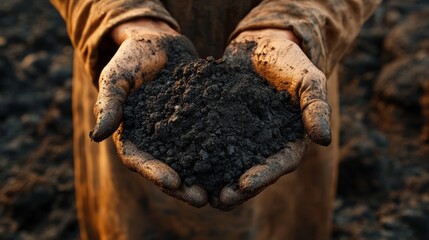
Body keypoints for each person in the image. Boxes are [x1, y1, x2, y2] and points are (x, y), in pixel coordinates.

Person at [50, 0, 381, 239]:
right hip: (131, 67)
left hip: (288, 65)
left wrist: (294, 20)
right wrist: (123, 15)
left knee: (280, 221)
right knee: (133, 223)